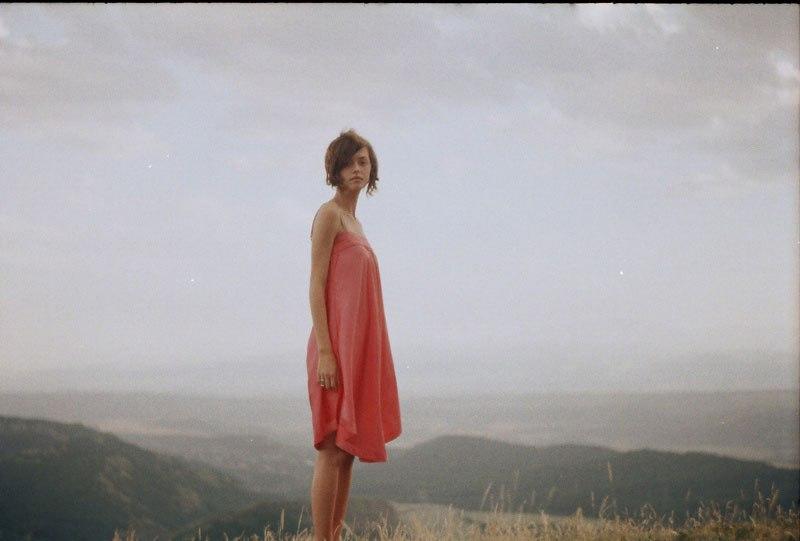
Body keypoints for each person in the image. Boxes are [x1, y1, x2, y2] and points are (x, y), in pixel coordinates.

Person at [306, 129, 402, 541]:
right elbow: (316, 283)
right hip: (332, 348)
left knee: (346, 452)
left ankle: (334, 536)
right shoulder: (329, 215)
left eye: (363, 162)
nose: (357, 169)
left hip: (355, 349)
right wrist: (326, 352)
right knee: (331, 449)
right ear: (335, 169)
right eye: (349, 162)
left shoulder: (356, 224)